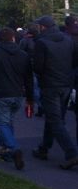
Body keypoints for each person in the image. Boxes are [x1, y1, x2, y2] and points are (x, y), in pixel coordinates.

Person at [31, 15, 78, 170]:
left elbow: (38, 67)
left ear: (43, 27)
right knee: (55, 118)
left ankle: (71, 153)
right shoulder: (68, 40)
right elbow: (74, 61)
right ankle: (44, 148)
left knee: (55, 120)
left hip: (50, 85)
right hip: (66, 84)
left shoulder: (41, 43)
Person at [0, 27, 34, 170]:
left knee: (2, 123)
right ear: (13, 38)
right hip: (17, 93)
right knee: (8, 121)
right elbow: (28, 78)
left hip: (0, 93)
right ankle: (6, 150)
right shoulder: (23, 55)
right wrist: (29, 97)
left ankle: (13, 147)